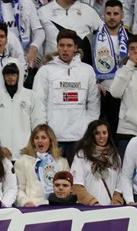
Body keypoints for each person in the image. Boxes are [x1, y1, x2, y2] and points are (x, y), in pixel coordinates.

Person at [32, 29, 100, 163]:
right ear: (57, 47)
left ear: (75, 48)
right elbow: (38, 103)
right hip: (55, 137)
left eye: (69, 46)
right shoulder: (45, 71)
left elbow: (94, 103)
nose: (65, 49)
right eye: (61, 45)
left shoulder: (87, 70)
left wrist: (88, 129)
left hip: (80, 137)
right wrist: (43, 134)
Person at [0, 60, 45, 161]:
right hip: (1, 154)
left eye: (13, 74)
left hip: (25, 153)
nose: (10, 77)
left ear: (19, 75)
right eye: (7, 74)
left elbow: (38, 123)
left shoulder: (31, 96)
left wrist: (33, 147)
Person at [93, 0, 130, 139]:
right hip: (101, 91)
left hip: (123, 93)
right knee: (99, 134)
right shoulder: (94, 37)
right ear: (103, 15)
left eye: (116, 14)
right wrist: (94, 83)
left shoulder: (130, 38)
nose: (112, 17)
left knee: (116, 134)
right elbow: (85, 63)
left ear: (122, 15)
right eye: (108, 13)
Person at [14, 124, 70, 207]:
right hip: (33, 207)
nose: (40, 141)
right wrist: (25, 202)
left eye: (43, 137)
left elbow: (68, 187)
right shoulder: (23, 161)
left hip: (57, 207)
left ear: (50, 141)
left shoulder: (62, 162)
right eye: (36, 138)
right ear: (33, 141)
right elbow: (19, 189)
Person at [71, 120, 124, 206]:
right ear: (91, 135)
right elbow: (77, 185)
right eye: (97, 133)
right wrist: (93, 203)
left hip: (110, 210)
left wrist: (116, 200)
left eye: (104, 133)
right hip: (88, 208)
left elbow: (120, 184)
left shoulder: (115, 157)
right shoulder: (82, 155)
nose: (101, 136)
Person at [37, 0, 102, 62]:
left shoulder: (89, 11)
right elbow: (35, 46)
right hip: (51, 69)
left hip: (82, 69)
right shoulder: (43, 13)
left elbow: (105, 37)